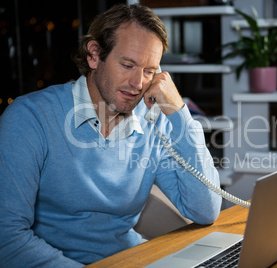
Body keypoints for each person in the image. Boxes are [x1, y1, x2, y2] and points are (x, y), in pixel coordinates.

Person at [0, 3, 221, 267]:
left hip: (131, 259)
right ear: (94, 55)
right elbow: (8, 239)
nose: (138, 84)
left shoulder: (153, 121)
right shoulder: (29, 117)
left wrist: (180, 113)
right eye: (128, 65)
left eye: (149, 71)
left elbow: (205, 210)